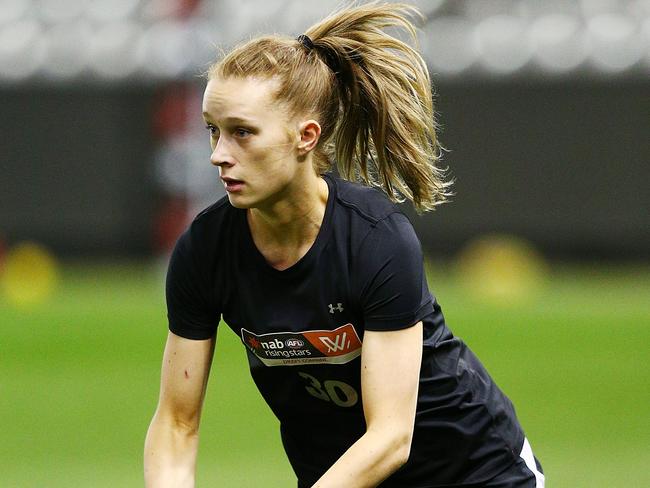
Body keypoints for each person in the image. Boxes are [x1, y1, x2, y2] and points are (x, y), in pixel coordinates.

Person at [144, 2, 545, 487]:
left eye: (243, 133)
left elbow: (391, 437)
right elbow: (176, 424)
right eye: (214, 130)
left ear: (305, 137)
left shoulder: (376, 239)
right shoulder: (205, 251)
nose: (218, 155)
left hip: (476, 472)